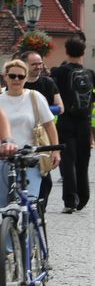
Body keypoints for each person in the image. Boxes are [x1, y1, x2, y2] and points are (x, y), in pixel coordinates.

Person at [51, 37, 95, 213]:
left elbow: (53, 96)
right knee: (83, 161)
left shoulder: (58, 72)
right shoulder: (90, 73)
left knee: (67, 162)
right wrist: (90, 101)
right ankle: (83, 197)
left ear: (66, 52)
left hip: (65, 121)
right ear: (83, 53)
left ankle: (70, 201)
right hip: (84, 122)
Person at [0, 58, 59, 198]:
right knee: (3, 205)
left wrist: (55, 150)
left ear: (26, 78)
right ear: (5, 77)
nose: (16, 79)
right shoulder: (1, 99)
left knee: (29, 200)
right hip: (3, 158)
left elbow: (49, 125)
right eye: (12, 76)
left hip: (29, 157)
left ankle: (34, 218)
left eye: (20, 76)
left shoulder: (35, 97)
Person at [21, 50, 62, 210]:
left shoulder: (48, 83)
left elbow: (60, 107)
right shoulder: (17, 83)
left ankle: (39, 212)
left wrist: (40, 111)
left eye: (40, 63)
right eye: (34, 64)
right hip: (20, 137)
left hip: (41, 136)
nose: (39, 67)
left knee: (45, 179)